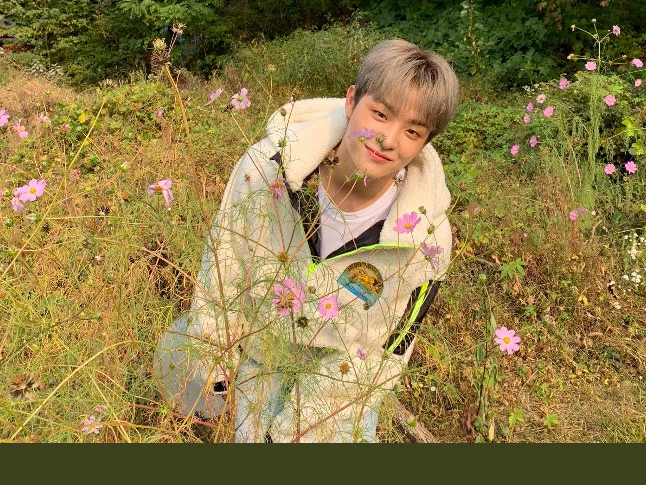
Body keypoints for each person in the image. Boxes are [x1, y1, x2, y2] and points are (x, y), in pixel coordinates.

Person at [153, 38, 460, 442]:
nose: (388, 139)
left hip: (342, 383)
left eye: (412, 131)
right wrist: (216, 365)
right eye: (380, 114)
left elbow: (392, 348)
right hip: (258, 352)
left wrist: (298, 428)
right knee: (188, 368)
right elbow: (223, 261)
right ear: (352, 101)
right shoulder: (266, 168)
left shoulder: (427, 237)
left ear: (425, 143)